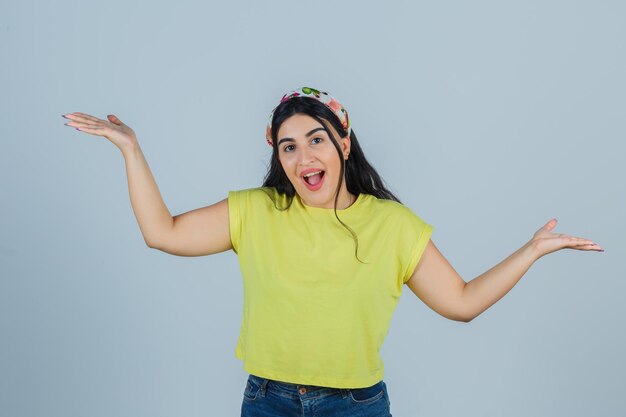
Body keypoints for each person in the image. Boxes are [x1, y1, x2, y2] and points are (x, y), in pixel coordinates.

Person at [62, 86, 603, 417]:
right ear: (277, 154)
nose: (303, 157)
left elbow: (460, 302)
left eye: (316, 139)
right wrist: (131, 150)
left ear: (344, 142)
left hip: (356, 408)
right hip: (267, 402)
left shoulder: (391, 224)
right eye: (288, 146)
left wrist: (530, 251)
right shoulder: (257, 211)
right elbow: (163, 232)